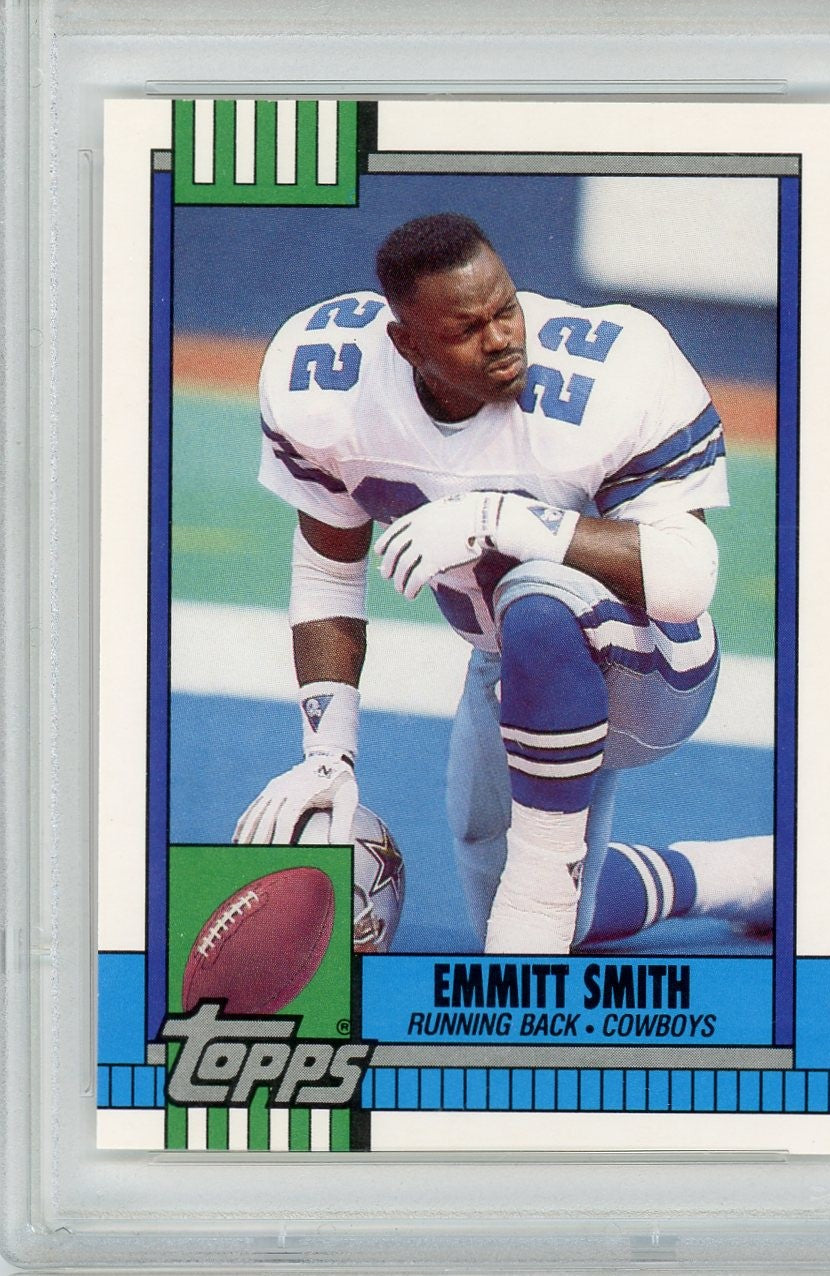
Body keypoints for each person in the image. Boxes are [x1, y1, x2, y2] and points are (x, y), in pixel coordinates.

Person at [234, 213, 773, 952]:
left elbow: (685, 577)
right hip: (508, 668)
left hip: (652, 660)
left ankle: (542, 893)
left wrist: (502, 519)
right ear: (407, 345)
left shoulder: (611, 370)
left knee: (538, 596)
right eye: (467, 329)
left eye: (506, 309)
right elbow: (328, 574)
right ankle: (738, 874)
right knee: (530, 909)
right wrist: (327, 753)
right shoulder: (332, 385)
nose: (502, 339)